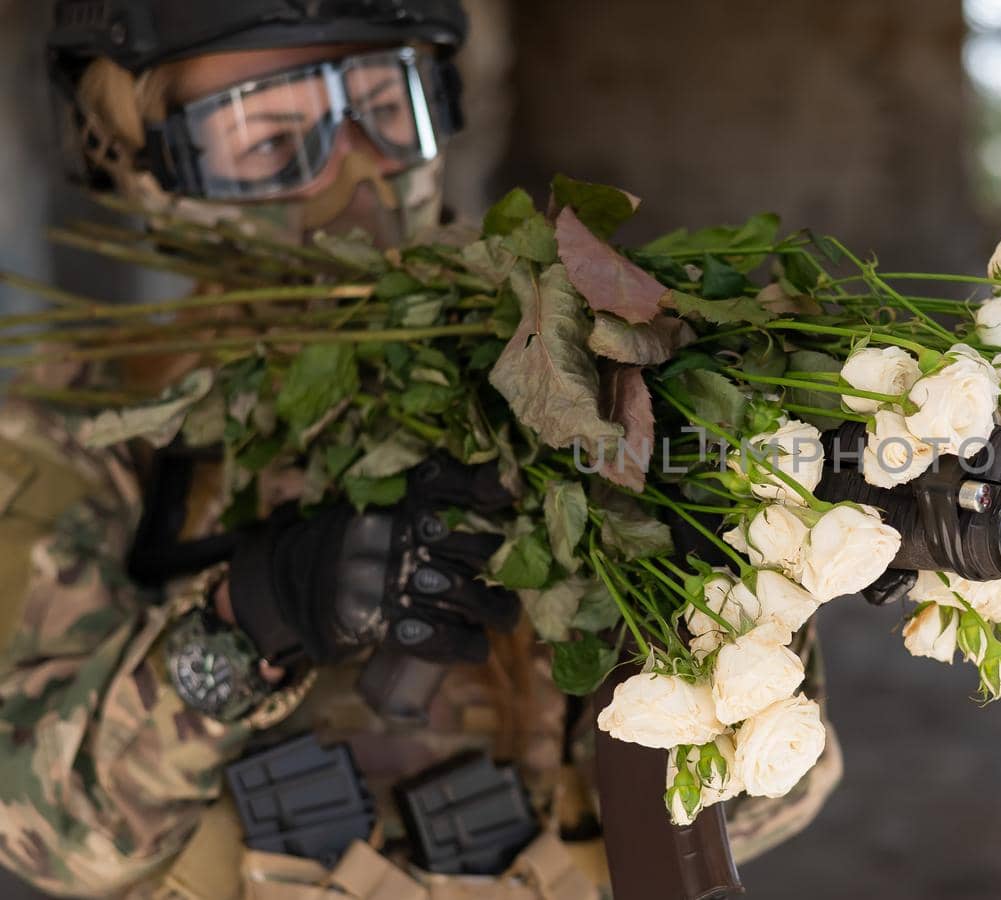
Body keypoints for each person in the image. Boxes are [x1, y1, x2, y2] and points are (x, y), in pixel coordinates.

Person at [0, 3, 839, 897]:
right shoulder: (87, 421)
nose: (352, 173)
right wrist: (253, 618)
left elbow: (775, 796)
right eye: (269, 134)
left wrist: (725, 586)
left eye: (383, 106)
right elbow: (47, 838)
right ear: (146, 163)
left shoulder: (581, 366)